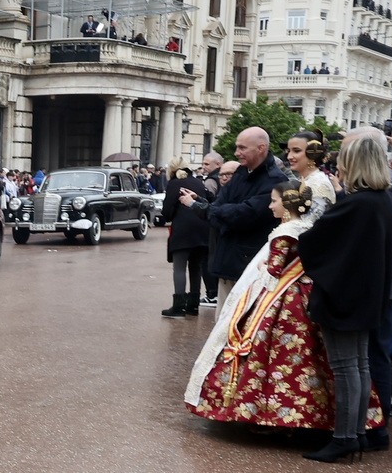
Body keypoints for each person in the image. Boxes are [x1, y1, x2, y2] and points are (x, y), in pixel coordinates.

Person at [185, 182, 376, 436]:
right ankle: (315, 415)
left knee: (272, 354)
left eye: (274, 201)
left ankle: (269, 414)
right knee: (310, 356)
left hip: (283, 296)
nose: (270, 206)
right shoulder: (308, 226)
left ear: (286, 205)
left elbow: (274, 270)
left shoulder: (284, 231)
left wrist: (262, 266)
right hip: (304, 292)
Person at [296, 128, 392, 461]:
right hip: (367, 295)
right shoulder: (380, 200)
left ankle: (344, 437)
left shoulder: (357, 203)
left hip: (345, 297)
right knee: (359, 365)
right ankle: (356, 432)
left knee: (345, 367)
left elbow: (315, 241)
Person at [199, 127, 286, 298]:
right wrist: (223, 213)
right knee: (223, 314)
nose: (236, 153)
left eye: (242, 148)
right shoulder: (240, 172)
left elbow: (246, 215)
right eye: (237, 147)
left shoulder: (275, 180)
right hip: (227, 260)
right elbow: (217, 209)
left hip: (250, 265)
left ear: (261, 148)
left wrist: (221, 212)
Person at [160, 162, 210, 318]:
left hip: (183, 229)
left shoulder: (174, 183)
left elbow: (167, 211)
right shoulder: (198, 182)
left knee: (180, 268)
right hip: (202, 228)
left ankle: (178, 306)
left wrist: (171, 213)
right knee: (196, 267)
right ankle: (193, 305)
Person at [284, 131, 336, 217]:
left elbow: (313, 222)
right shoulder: (305, 179)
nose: (289, 156)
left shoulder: (319, 184)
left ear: (313, 154)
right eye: (288, 151)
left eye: (296, 151)